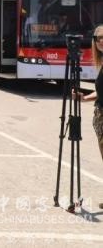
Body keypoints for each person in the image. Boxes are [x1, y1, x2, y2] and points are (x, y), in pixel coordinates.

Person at [73, 24, 103, 209]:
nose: (101, 41)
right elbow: (101, 93)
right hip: (100, 117)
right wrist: (83, 98)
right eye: (98, 38)